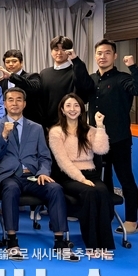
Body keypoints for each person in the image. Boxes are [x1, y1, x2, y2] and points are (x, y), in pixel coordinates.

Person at [0, 88, 79, 262]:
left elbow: (44, 156)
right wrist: (4, 136)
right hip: (9, 176)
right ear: (5, 104)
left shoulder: (36, 128)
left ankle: (60, 241)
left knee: (55, 189)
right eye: (10, 100)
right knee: (10, 189)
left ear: (24, 104)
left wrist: (43, 172)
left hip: (33, 176)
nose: (15, 103)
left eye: (19, 100)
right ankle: (11, 241)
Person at [78, 39, 138, 235]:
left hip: (119, 138)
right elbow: (79, 97)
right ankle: (107, 213)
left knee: (125, 178)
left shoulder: (123, 78)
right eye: (99, 53)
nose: (102, 57)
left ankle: (132, 220)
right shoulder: (91, 79)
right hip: (96, 139)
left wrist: (133, 67)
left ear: (115, 56)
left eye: (107, 53)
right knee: (103, 179)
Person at [49, 94, 114, 257]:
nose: (72, 109)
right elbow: (62, 161)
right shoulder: (56, 131)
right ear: (62, 110)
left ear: (82, 109)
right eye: (68, 106)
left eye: (76, 105)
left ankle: (105, 246)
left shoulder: (90, 130)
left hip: (91, 174)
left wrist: (100, 126)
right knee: (90, 193)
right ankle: (92, 246)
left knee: (103, 192)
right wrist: (82, 179)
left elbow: (101, 150)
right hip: (69, 176)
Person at [37, 36, 93, 130]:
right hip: (49, 126)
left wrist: (75, 59)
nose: (59, 53)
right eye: (56, 49)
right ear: (51, 52)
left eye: (63, 50)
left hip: (72, 125)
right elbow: (41, 101)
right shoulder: (44, 73)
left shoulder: (76, 71)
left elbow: (86, 89)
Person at [0, 49, 41, 124]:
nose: (10, 64)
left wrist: (11, 76)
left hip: (31, 121)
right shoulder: (1, 83)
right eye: (7, 62)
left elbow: (34, 88)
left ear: (21, 63)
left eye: (14, 61)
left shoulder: (33, 76)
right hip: (7, 123)